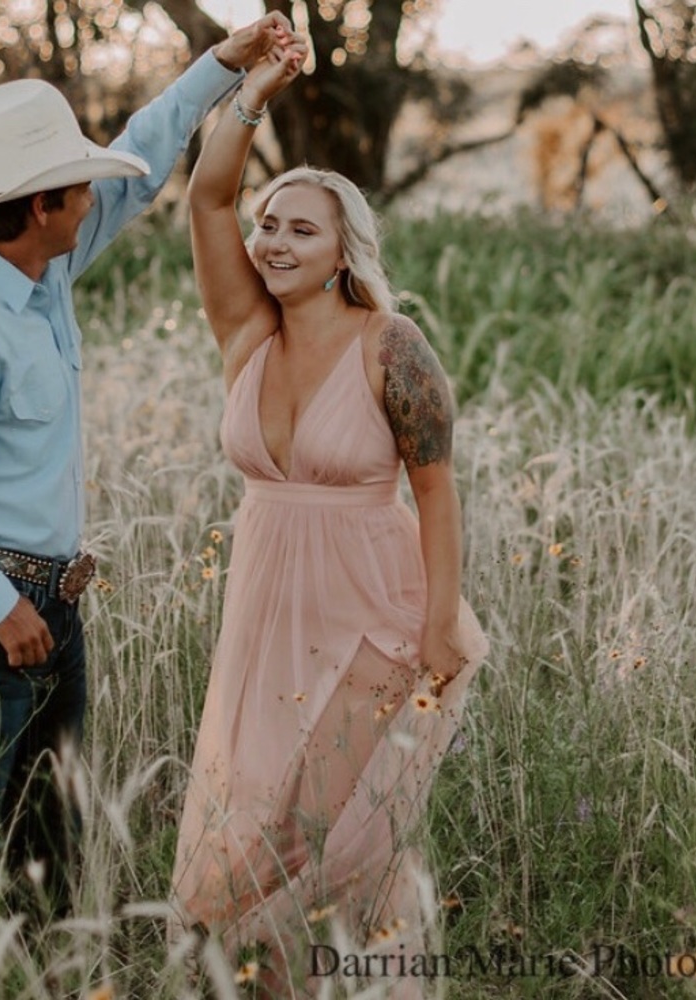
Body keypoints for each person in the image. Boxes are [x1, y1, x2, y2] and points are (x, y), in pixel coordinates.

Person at [0, 11, 294, 935]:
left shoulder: (42, 272)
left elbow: (142, 155)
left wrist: (224, 64)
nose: (96, 195)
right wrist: (1, 605)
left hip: (52, 604)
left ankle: (43, 979)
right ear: (40, 207)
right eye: (77, 186)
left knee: (48, 847)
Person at [168, 41, 489, 998]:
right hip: (265, 619)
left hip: (370, 617)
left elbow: (436, 491)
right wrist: (254, 94)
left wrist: (440, 623)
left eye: (301, 231)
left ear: (343, 252)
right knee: (250, 831)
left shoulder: (393, 346)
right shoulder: (246, 335)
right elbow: (207, 201)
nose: (273, 242)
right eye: (269, 225)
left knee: (328, 837)